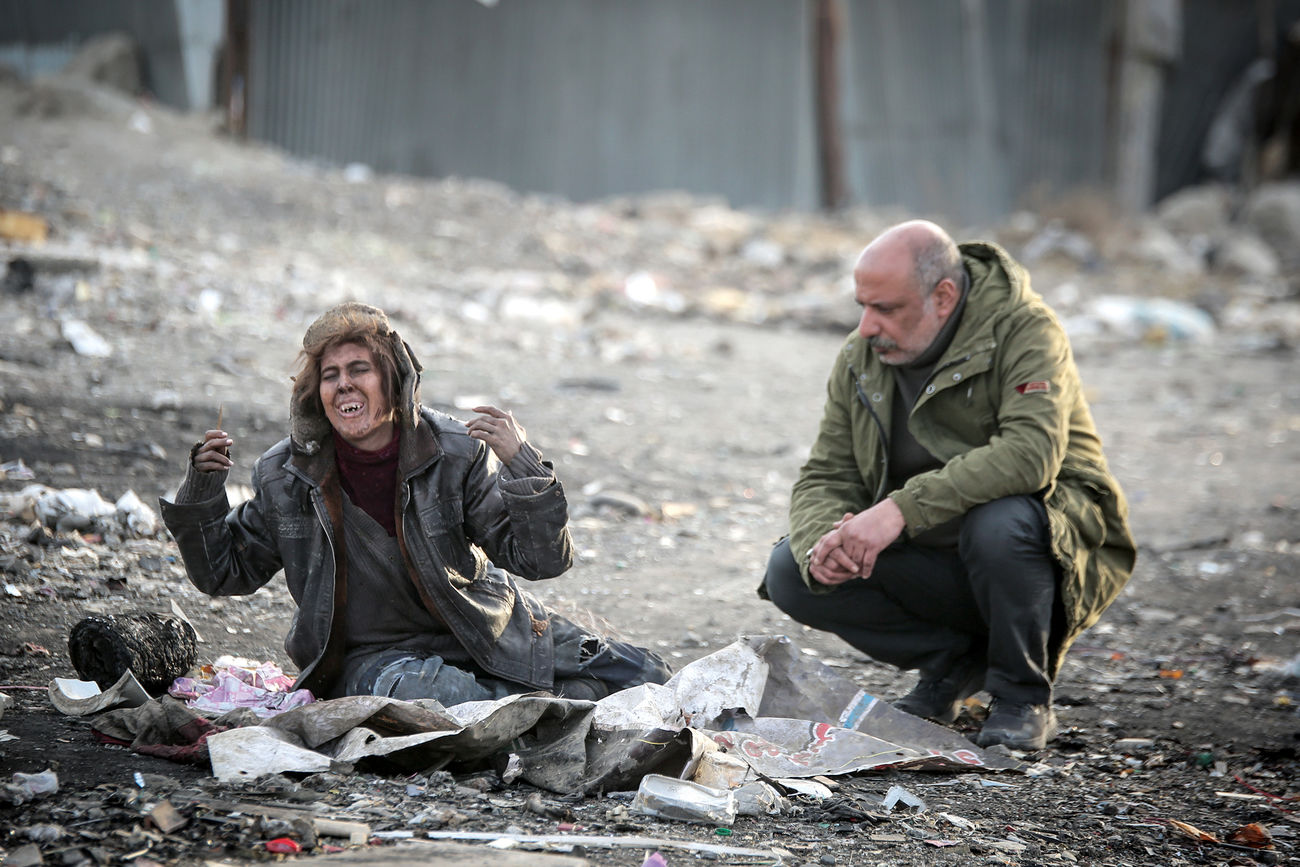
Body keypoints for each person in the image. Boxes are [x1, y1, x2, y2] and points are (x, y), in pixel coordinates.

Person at [160, 302, 670, 705]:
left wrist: (523, 464)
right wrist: (202, 490)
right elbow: (224, 575)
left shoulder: (455, 451)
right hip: (372, 660)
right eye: (331, 374)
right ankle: (561, 704)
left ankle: (554, 702)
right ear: (317, 392)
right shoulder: (285, 474)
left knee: (645, 674)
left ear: (393, 381)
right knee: (439, 698)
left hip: (483, 629)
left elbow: (542, 561)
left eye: (359, 369)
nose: (343, 384)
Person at [762, 220, 1136, 750]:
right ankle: (953, 663)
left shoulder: (1025, 329)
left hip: (1049, 549)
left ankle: (1022, 694)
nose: (867, 326)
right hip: (938, 551)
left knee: (1000, 522)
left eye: (886, 308)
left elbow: (1030, 455)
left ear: (943, 297)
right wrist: (824, 542)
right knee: (791, 571)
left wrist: (897, 510)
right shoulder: (861, 356)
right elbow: (827, 471)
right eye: (862, 306)